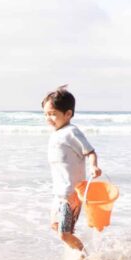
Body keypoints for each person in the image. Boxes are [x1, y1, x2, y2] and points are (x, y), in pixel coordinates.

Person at [43, 85, 102, 251]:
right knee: (56, 226)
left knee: (64, 234)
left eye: (53, 114)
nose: (48, 118)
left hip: (71, 195)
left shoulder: (71, 132)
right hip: (58, 194)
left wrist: (94, 166)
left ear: (68, 114)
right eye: (46, 114)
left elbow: (90, 152)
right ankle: (78, 255)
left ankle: (86, 258)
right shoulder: (55, 133)